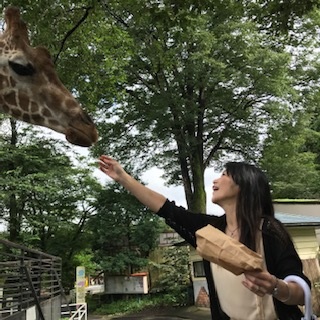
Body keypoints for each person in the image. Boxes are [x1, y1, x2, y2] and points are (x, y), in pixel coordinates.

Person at [98, 155, 310, 320]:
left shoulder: (269, 230)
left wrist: (276, 287)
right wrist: (123, 177)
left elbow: (301, 291)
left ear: (245, 184)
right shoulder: (210, 231)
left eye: (225, 174)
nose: (216, 180)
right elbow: (167, 209)